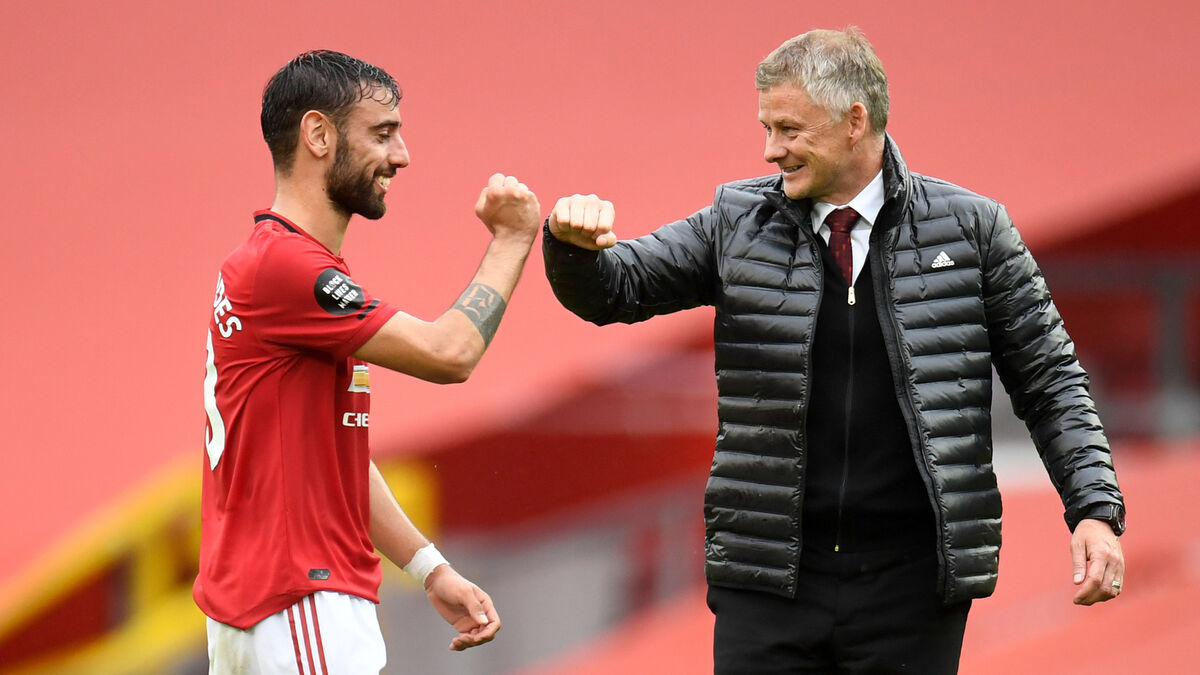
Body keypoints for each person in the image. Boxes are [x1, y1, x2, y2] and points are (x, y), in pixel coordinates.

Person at [543, 27, 1125, 674]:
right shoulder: (736, 222)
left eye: (789, 129)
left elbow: (1051, 381)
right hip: (767, 580)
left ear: (854, 121)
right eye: (766, 128)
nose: (771, 149)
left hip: (912, 589)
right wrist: (572, 250)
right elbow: (617, 288)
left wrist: (1094, 510)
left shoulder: (974, 230)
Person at [196, 50, 541, 673]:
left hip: (274, 605)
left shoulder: (277, 263)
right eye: (382, 134)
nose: (401, 156)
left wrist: (429, 568)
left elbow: (335, 457)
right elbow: (450, 354)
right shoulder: (288, 268)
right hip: (300, 600)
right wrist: (513, 238)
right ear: (319, 135)